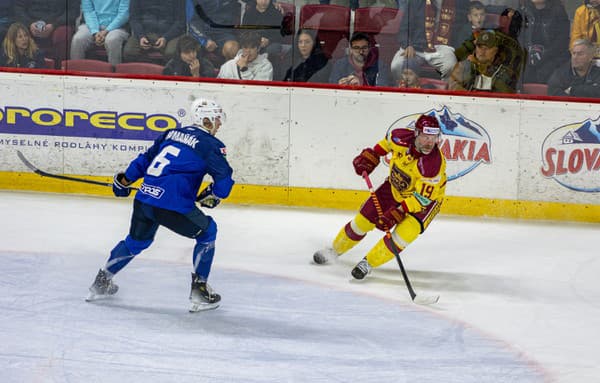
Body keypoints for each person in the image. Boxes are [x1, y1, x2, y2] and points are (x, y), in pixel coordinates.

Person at [86, 98, 234, 312]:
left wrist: (124, 181)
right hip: (172, 205)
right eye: (217, 119)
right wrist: (213, 194)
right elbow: (224, 183)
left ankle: (101, 281)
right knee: (208, 232)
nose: (219, 124)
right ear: (206, 120)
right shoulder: (211, 145)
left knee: (136, 242)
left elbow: (145, 160)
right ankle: (200, 291)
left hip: (145, 199)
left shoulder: (170, 134)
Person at [313, 114, 447, 280]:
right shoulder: (399, 137)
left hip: (424, 203)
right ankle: (334, 250)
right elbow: (383, 147)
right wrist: (372, 156)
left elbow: (422, 199)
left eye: (434, 138)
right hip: (394, 187)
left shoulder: (432, 165)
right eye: (426, 137)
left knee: (401, 237)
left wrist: (399, 211)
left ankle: (368, 264)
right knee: (362, 221)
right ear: (416, 134)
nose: (430, 142)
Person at [390, 0, 469, 81]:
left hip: (442, 46)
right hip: (415, 47)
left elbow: (461, 29)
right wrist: (407, 45)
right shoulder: (415, 2)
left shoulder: (458, 3)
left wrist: (458, 51)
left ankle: (444, 90)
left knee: (451, 66)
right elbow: (403, 29)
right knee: (397, 66)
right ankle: (406, 90)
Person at [448, 29, 521, 93]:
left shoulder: (505, 71)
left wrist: (480, 67)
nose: (482, 51)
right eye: (479, 47)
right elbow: (453, 92)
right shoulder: (463, 66)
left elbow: (504, 94)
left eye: (487, 48)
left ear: (495, 50)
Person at [519, 0, 570, 84]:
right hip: (528, 56)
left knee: (546, 74)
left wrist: (543, 54)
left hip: (552, 57)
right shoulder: (523, 10)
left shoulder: (559, 11)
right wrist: (529, 53)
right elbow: (519, 37)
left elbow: (562, 41)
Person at [14, 0, 80, 65]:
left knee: (63, 33)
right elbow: (17, 7)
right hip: (30, 24)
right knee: (14, 30)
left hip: (56, 25)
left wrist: (54, 25)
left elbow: (73, 11)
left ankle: (59, 69)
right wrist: (29, 24)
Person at [70, 0, 130, 66]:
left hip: (117, 26)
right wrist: (95, 32)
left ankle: (114, 72)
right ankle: (75, 71)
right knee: (78, 39)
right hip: (91, 25)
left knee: (112, 40)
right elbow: (88, 12)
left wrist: (106, 31)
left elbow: (124, 14)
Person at [189, 0, 241, 66]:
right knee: (189, 53)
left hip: (224, 33)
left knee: (232, 49)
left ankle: (228, 73)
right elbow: (192, 23)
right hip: (201, 32)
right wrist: (205, 40)